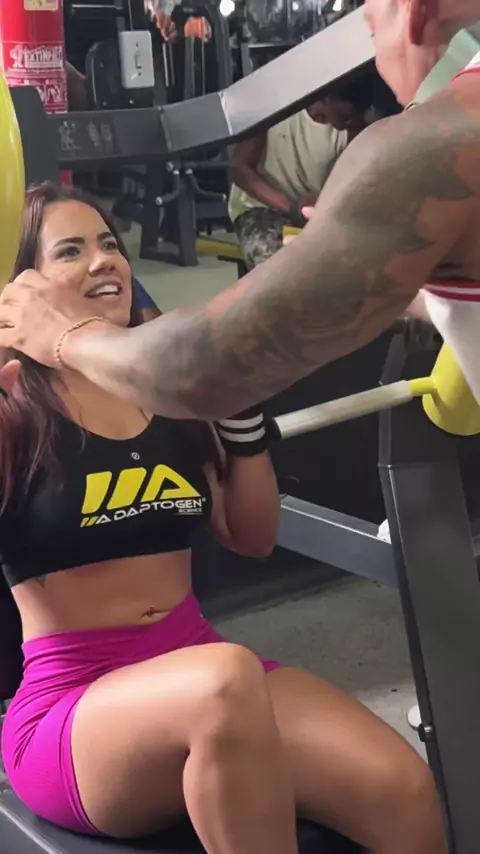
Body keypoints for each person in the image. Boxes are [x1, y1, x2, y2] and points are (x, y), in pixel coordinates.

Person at [0, 182, 445, 854]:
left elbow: (252, 535)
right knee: (224, 681)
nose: (103, 260)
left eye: (109, 244)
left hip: (200, 665)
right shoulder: (15, 410)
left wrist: (239, 421)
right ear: (21, 287)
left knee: (404, 792)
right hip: (73, 708)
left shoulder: (170, 392)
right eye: (70, 251)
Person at [1, 0, 476, 425]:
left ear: (414, 11)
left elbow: (199, 369)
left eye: (371, 26)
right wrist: (389, 277)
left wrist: (65, 333)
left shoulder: (431, 141)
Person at [229, 85, 366, 269]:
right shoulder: (275, 108)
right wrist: (292, 208)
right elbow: (239, 167)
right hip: (259, 208)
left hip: (316, 215)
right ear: (329, 99)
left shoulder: (354, 130)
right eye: (348, 114)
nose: (354, 119)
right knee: (277, 267)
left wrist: (322, 200)